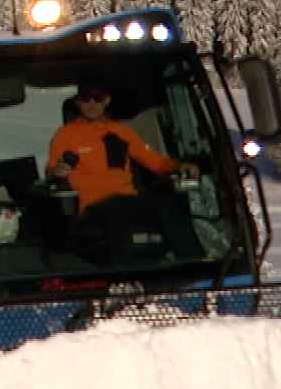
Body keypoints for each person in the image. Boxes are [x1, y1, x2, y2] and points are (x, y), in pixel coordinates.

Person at [47, 83, 202, 261]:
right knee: (117, 214)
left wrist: (178, 166)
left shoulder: (121, 132)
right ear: (77, 102)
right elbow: (51, 171)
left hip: (129, 201)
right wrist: (56, 172)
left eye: (98, 98)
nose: (92, 103)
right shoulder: (65, 135)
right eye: (86, 99)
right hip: (93, 208)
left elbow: (153, 160)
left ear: (107, 101)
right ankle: (123, 275)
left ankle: (195, 263)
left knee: (168, 205)